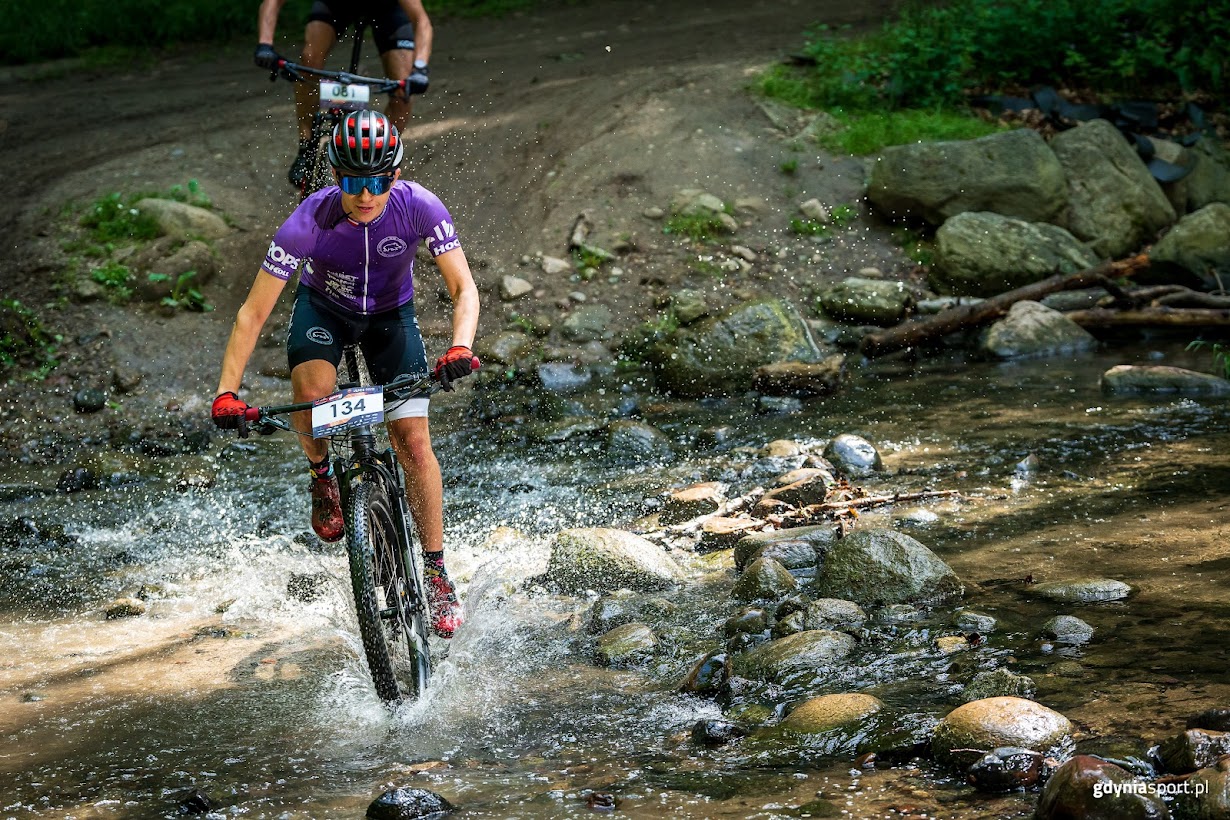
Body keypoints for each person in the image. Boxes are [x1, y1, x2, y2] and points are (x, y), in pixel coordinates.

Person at [210, 110, 477, 639]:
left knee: (414, 444)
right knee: (312, 394)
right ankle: (322, 477)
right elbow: (252, 314)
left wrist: (460, 346)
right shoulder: (308, 221)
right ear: (337, 176)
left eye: (378, 180)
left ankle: (437, 572)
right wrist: (227, 392)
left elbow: (463, 288)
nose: (366, 194)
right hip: (324, 310)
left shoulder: (420, 206)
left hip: (389, 317)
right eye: (354, 181)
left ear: (394, 176)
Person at [254, 0, 434, 188]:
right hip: (335, 5)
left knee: (403, 92)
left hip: (387, 10)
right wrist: (265, 45)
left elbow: (421, 20)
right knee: (308, 62)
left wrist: (420, 68)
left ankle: (380, 162)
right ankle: (306, 148)